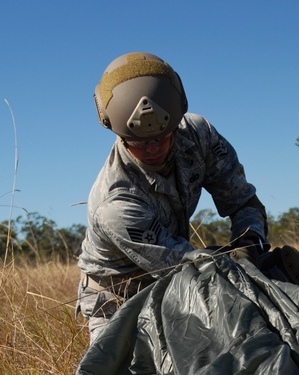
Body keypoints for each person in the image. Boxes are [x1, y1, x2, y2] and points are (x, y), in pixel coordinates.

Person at [76, 52, 270, 342]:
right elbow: (185, 267)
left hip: (186, 272)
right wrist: (235, 267)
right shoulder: (114, 203)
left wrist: (251, 242)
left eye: (163, 137)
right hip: (118, 298)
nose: (153, 149)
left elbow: (243, 201)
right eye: (139, 144)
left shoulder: (198, 135)